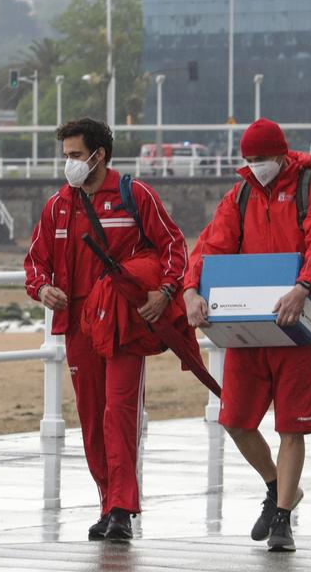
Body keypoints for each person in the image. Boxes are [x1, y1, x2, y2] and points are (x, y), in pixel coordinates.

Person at [23, 117, 188, 541]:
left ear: (99, 155)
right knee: (93, 418)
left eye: (76, 156)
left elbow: (173, 245)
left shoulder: (135, 195)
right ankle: (107, 501)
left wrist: (166, 292)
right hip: (80, 328)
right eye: (66, 157)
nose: (69, 164)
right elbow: (34, 262)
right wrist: (43, 289)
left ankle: (122, 508)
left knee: (120, 413)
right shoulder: (58, 206)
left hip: (124, 325)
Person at [184, 119, 311, 554]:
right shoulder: (239, 196)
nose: (256, 167)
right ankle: (277, 488)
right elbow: (210, 246)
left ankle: (284, 520)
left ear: (281, 154)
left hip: (300, 325)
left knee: (293, 426)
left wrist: (303, 287)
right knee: (235, 420)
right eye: (249, 161)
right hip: (248, 327)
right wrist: (191, 289)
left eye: (261, 160)